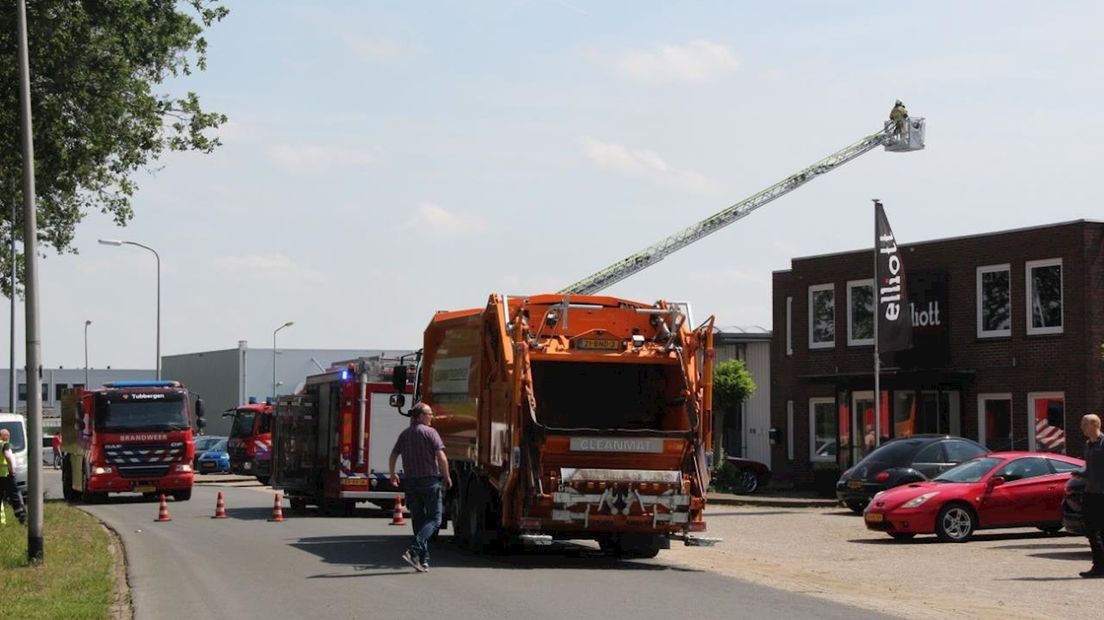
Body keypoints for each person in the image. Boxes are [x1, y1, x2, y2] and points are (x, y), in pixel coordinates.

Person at [389, 402, 452, 573]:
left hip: (411, 483)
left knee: (418, 521)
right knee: (435, 519)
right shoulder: (430, 433)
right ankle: (414, 550)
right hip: (430, 482)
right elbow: (441, 457)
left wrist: (393, 473)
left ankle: (423, 560)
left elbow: (394, 454)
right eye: (429, 414)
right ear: (420, 416)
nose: (432, 416)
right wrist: (446, 476)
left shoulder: (405, 434)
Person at [1080, 414, 1104, 578]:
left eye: (1084, 424)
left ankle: (1100, 568)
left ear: (1094, 424)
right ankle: (1098, 566)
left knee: (1100, 532)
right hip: (1091, 492)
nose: (1082, 427)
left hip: (1103, 493)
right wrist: (1080, 474)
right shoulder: (1088, 445)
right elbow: (1089, 469)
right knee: (1091, 531)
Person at [0, 428, 27, 525]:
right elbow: (7, 456)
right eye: (8, 436)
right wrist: (12, 469)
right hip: (6, 475)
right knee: (14, 496)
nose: (9, 438)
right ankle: (22, 517)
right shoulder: (4, 444)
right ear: (4, 436)